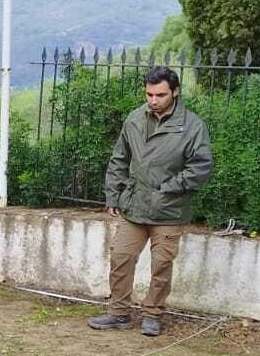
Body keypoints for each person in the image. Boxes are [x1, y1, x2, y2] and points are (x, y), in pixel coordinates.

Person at [87, 66, 213, 337]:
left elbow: (201, 167)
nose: (153, 100)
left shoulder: (192, 126)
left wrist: (168, 188)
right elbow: (119, 159)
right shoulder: (134, 119)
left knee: (161, 265)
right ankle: (118, 313)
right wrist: (113, 194)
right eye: (149, 94)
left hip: (169, 210)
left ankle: (153, 315)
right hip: (134, 206)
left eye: (160, 95)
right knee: (121, 257)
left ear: (175, 92)